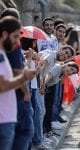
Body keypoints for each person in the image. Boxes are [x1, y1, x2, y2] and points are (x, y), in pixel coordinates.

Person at [0, 8, 35, 150]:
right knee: (25, 133)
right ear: (4, 34)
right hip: (4, 118)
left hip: (7, 116)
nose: (17, 41)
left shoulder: (4, 52)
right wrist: (24, 79)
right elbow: (4, 84)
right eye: (16, 36)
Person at [42, 62, 79, 132]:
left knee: (48, 109)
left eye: (72, 72)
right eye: (71, 69)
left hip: (46, 89)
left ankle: (47, 128)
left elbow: (60, 82)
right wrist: (42, 87)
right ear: (67, 65)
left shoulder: (62, 72)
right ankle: (45, 129)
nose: (70, 72)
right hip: (42, 88)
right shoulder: (58, 68)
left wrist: (64, 76)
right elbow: (47, 77)